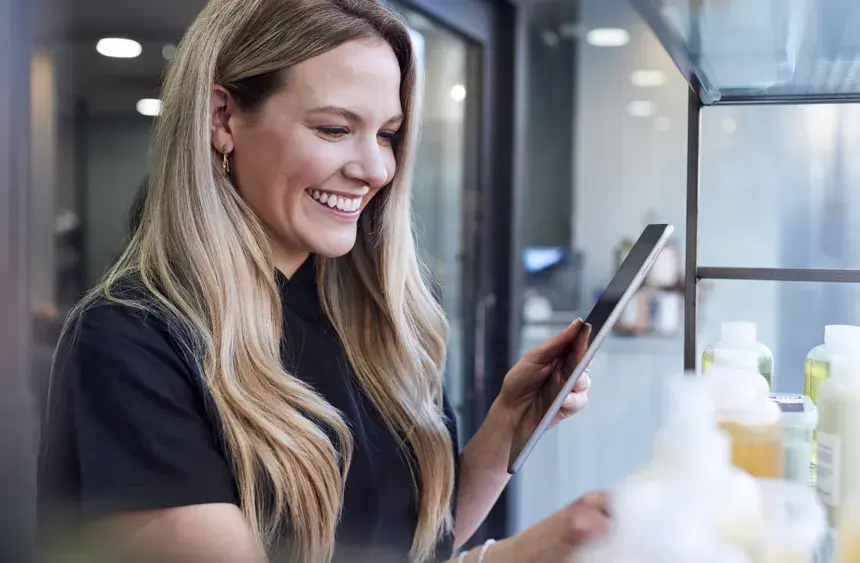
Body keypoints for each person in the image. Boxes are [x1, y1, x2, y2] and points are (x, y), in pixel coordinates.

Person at [36, 1, 610, 562]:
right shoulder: (130, 342)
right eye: (335, 129)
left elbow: (410, 538)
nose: (376, 168)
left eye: (387, 134)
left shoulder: (380, 319)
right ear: (222, 119)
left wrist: (507, 426)